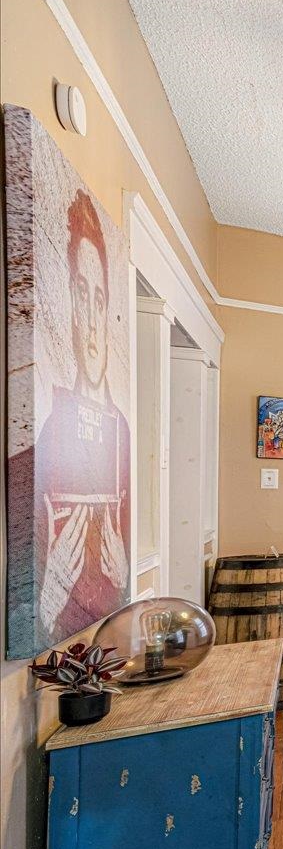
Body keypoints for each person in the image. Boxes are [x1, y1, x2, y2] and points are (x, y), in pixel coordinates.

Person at [30, 190, 130, 644]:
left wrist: (123, 570)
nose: (91, 321)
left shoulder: (121, 433)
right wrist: (49, 597)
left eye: (99, 299)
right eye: (80, 295)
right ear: (69, 306)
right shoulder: (45, 430)